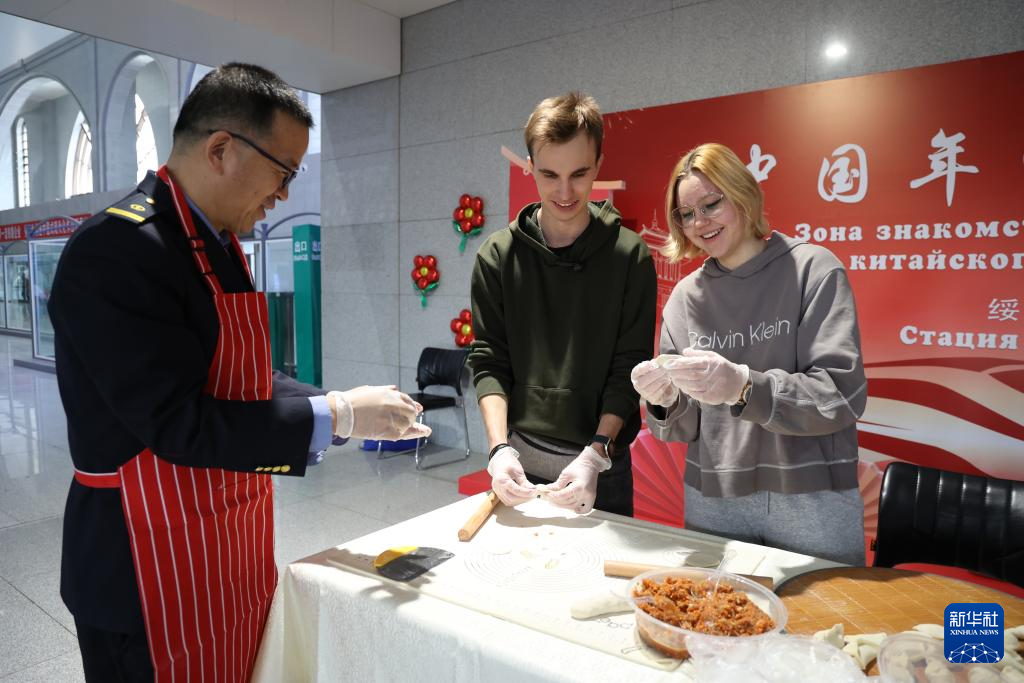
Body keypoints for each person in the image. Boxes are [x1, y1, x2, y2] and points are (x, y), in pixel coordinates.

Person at [48, 63, 429, 682]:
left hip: (223, 545)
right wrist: (336, 417)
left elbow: (242, 377)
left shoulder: (215, 243)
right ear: (221, 149)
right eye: (284, 172)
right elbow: (177, 422)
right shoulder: (118, 249)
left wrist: (341, 402)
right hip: (142, 560)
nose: (283, 195)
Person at [630, 142, 867, 565]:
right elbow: (681, 427)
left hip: (812, 496)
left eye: (711, 204)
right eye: (686, 214)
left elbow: (841, 395)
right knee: (713, 609)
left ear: (742, 193)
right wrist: (663, 402)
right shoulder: (684, 300)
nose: (700, 222)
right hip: (714, 499)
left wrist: (743, 386)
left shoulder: (813, 270)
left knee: (824, 609)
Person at [469, 91, 657, 516]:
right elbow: (489, 360)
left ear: (599, 165)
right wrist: (498, 450)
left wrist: (596, 453)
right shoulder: (497, 256)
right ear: (530, 166)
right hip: (517, 468)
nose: (565, 191)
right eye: (550, 174)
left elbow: (629, 367)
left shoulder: (629, 256)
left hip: (600, 469)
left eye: (579, 173)